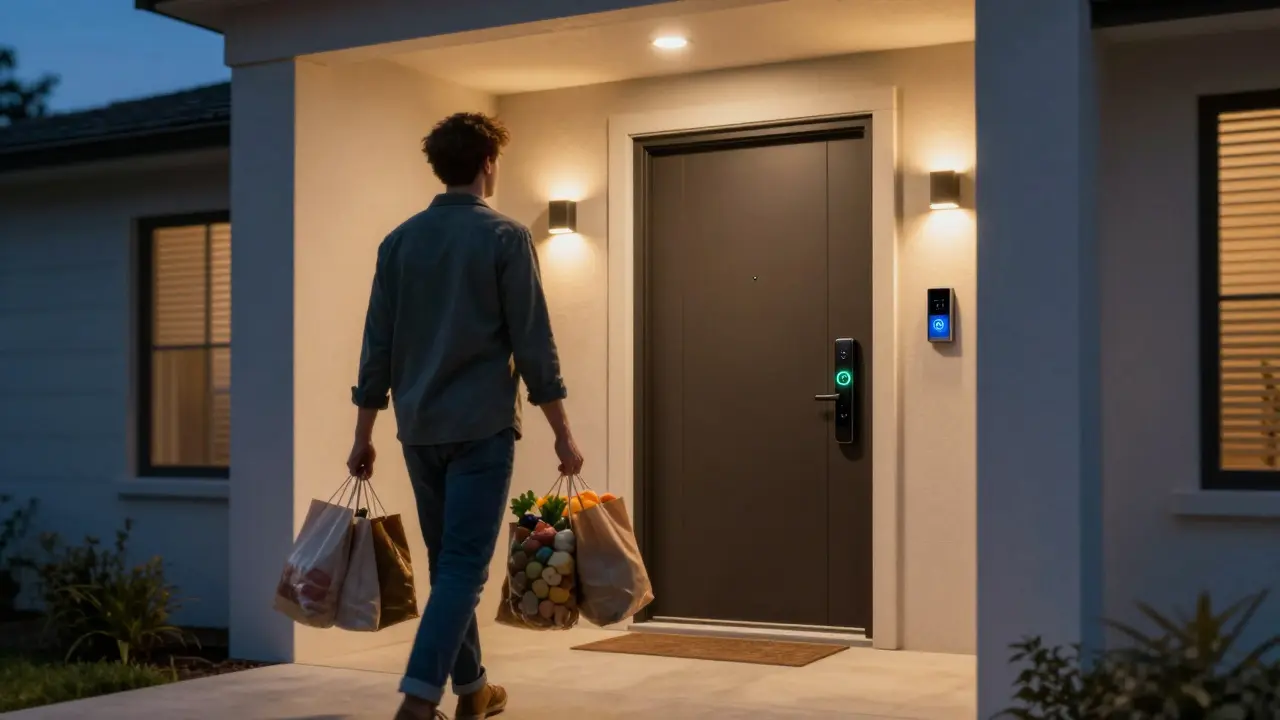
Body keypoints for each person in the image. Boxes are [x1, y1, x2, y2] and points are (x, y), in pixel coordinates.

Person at [345, 112, 584, 720]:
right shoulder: (505, 237)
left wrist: (363, 435)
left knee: (446, 563)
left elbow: (376, 347)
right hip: (481, 430)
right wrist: (562, 432)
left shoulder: (398, 243)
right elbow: (534, 343)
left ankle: (473, 688)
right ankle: (418, 698)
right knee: (462, 569)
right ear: (487, 163)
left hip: (418, 429)